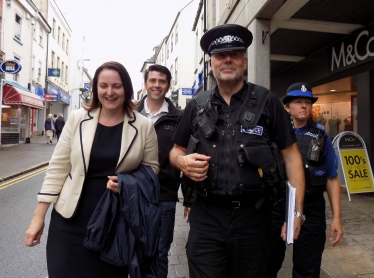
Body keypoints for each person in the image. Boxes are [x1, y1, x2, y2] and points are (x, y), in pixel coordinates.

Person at [169, 24, 305, 278]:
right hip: (207, 217)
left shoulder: (268, 102)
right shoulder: (197, 105)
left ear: (244, 60)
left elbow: (292, 157)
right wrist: (182, 162)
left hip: (254, 218)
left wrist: (296, 213)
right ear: (211, 63)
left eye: (234, 53)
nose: (227, 59)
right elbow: (175, 151)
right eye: (221, 55)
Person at [25, 61, 159, 278]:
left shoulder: (143, 126)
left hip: (114, 225)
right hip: (69, 222)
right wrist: (38, 216)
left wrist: (126, 184)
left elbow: (152, 170)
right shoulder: (78, 119)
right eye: (103, 85)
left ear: (126, 88)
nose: (110, 92)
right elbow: (58, 167)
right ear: (96, 89)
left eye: (116, 86)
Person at [267, 82, 344, 278]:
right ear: (287, 107)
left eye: (307, 102)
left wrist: (336, 218)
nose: (303, 106)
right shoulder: (273, 136)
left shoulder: (321, 137)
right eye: (298, 102)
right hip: (277, 208)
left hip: (311, 210)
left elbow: (332, 178)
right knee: (265, 266)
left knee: (307, 270)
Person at [137, 64, 182, 278]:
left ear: (168, 86)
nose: (157, 85)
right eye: (152, 81)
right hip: (132, 195)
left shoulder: (179, 118)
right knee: (133, 251)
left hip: (164, 196)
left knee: (160, 253)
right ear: (145, 84)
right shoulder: (129, 114)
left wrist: (189, 199)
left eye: (162, 81)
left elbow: (186, 155)